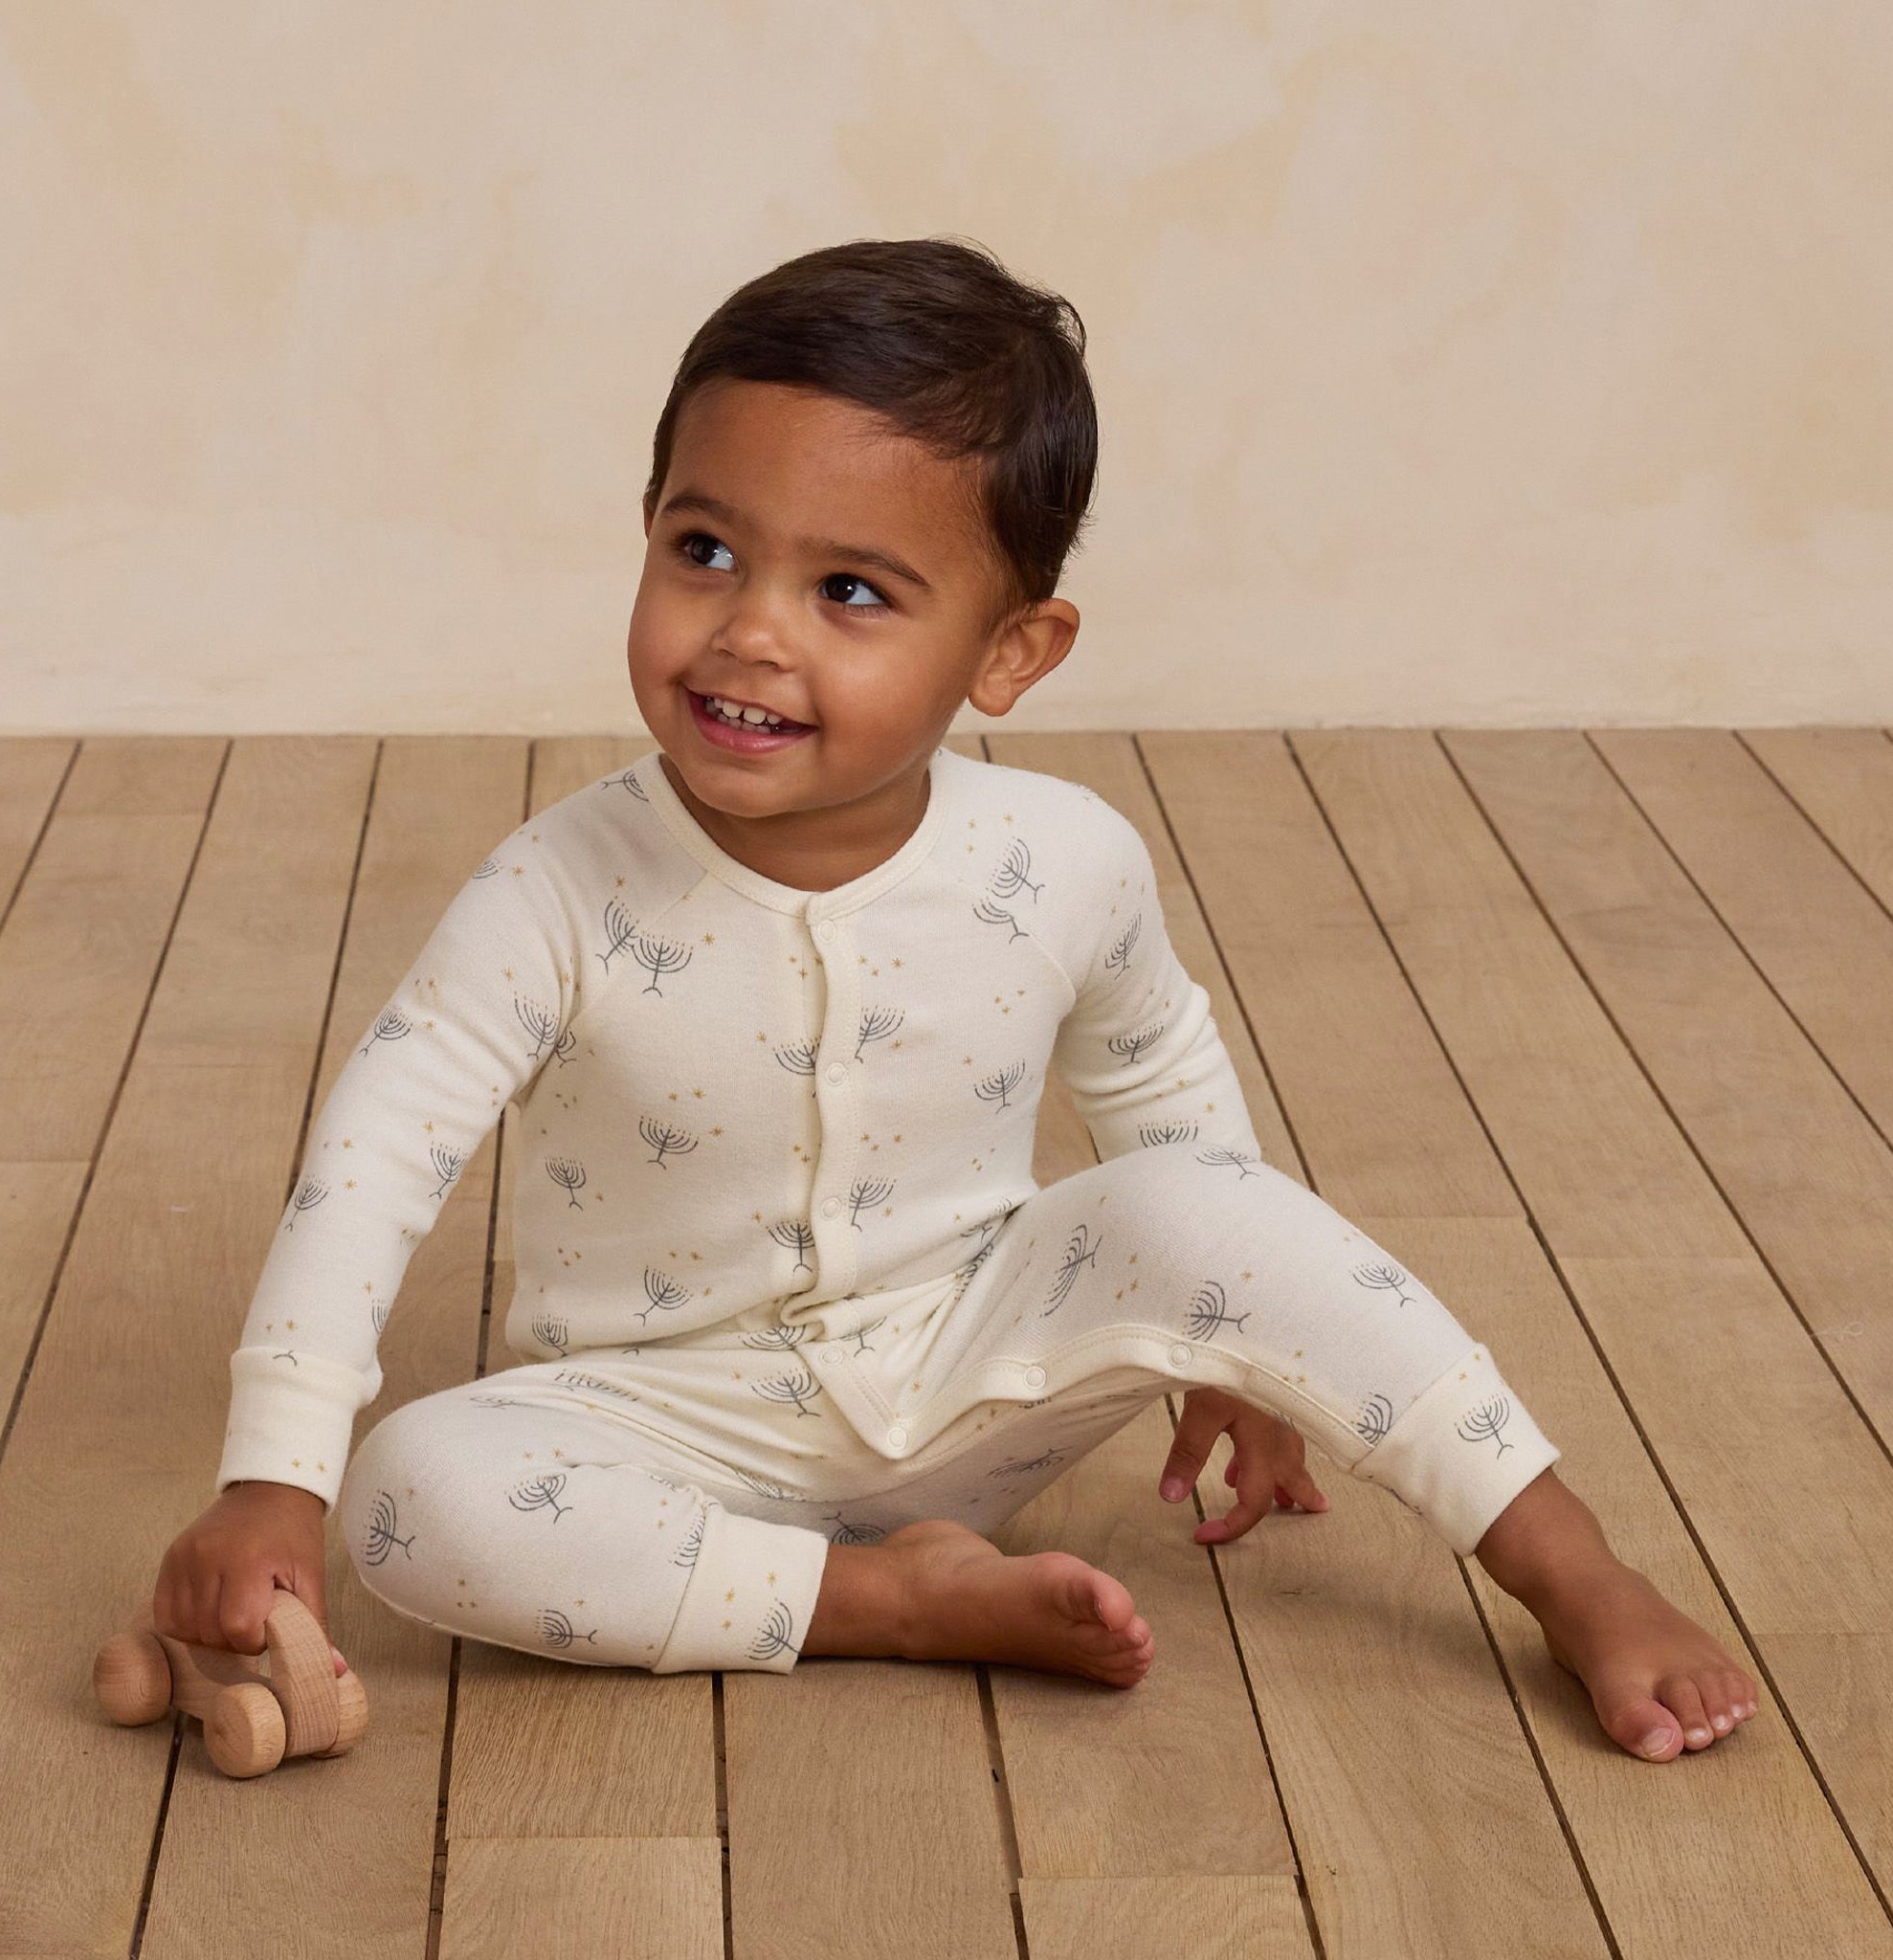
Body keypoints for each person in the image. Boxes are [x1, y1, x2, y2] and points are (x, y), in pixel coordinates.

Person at [155, 236, 1758, 1762]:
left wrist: (1238, 1360)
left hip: (981, 1372)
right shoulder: (549, 892)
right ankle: (884, 1602)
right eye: (702, 549)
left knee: (1220, 1209)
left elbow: (1166, 1113)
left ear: (1012, 652)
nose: (749, 630)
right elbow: (375, 1159)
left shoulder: (1062, 858)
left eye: (849, 591)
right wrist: (272, 1475)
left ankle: (1570, 1567)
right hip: (658, 1422)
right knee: (413, 1497)